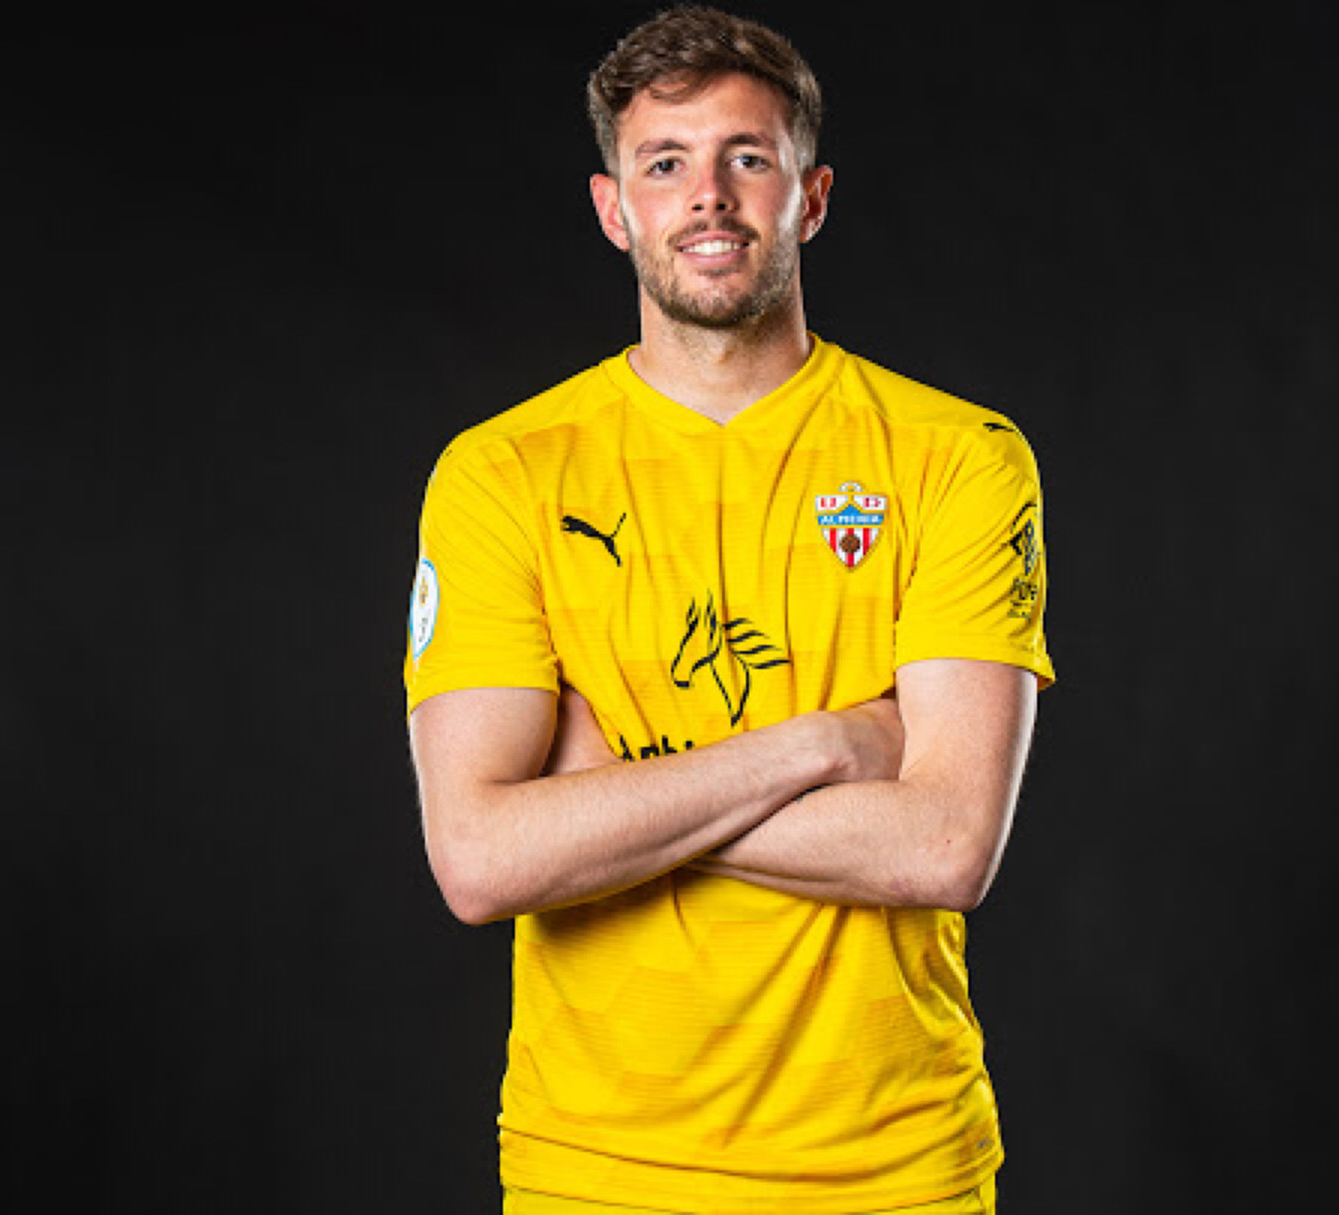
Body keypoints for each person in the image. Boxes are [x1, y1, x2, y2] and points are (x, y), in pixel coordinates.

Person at [403, 7, 1054, 1212]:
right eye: (666, 163)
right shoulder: (501, 475)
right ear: (614, 209)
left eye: (747, 157)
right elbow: (481, 861)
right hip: (593, 1173)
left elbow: (947, 846)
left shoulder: (958, 457)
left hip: (892, 1170)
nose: (708, 195)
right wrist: (826, 746)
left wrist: (601, 801)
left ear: (810, 199)